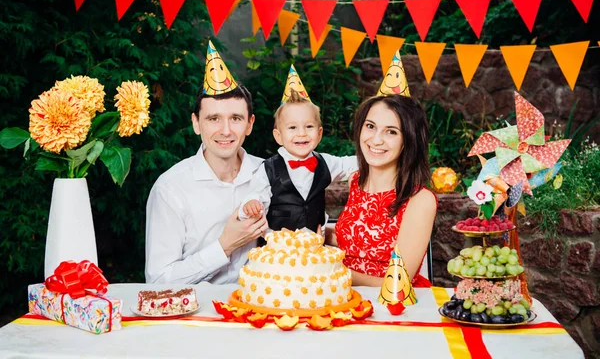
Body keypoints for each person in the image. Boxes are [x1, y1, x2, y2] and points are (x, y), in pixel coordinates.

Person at [145, 42, 268, 284]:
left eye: (236, 118)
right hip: (197, 315)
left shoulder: (268, 173)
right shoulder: (171, 188)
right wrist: (224, 246)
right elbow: (158, 281)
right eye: (213, 119)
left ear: (250, 124)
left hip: (261, 308)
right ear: (196, 123)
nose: (225, 130)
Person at [331, 51, 437, 287]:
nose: (375, 140)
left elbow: (398, 281)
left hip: (395, 311)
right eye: (370, 126)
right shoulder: (356, 182)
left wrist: (330, 272)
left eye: (391, 131)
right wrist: (324, 240)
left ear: (408, 140)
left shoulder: (420, 199)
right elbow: (356, 244)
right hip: (345, 303)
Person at [239, 65, 357, 235]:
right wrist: (251, 204)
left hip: (314, 245)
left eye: (309, 126)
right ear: (278, 136)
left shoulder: (326, 162)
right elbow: (257, 194)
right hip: (278, 247)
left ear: (319, 133)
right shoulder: (268, 168)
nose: (301, 133)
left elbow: (352, 163)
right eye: (292, 127)